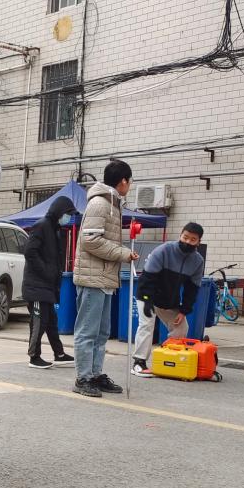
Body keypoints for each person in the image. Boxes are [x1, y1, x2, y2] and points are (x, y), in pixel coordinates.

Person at [72, 160, 140, 397]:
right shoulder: (100, 203)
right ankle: (83, 378)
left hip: (104, 277)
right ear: (123, 181)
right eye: (129, 181)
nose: (129, 186)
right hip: (93, 278)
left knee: (101, 333)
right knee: (87, 331)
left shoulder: (112, 203)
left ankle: (95, 374)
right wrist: (122, 253)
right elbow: (90, 241)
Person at [130, 222, 206, 377]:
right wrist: (147, 301)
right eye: (185, 237)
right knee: (147, 325)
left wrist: (184, 311)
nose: (188, 241)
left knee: (181, 327)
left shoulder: (197, 261)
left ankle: (169, 359)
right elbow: (147, 278)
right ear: (180, 235)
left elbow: (192, 289)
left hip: (169, 301)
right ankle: (138, 363)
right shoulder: (164, 250)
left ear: (199, 242)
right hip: (148, 295)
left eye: (193, 239)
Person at [21, 196, 77, 369]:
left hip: (47, 286)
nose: (68, 218)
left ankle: (59, 354)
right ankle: (34, 356)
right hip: (36, 285)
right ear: (59, 212)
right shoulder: (41, 226)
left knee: (51, 321)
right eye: (67, 214)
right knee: (39, 321)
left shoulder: (55, 229)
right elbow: (30, 252)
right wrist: (46, 271)